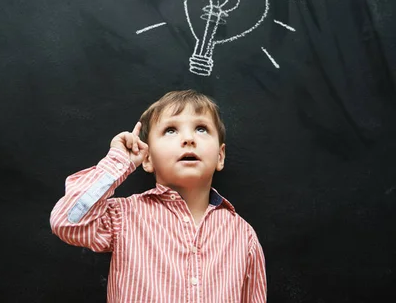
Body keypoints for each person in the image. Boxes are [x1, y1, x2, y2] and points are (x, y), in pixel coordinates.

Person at [50, 90, 266, 302]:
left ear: (220, 156)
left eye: (201, 129)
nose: (189, 138)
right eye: (171, 130)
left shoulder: (243, 236)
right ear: (148, 159)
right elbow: (66, 222)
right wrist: (118, 162)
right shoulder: (123, 217)